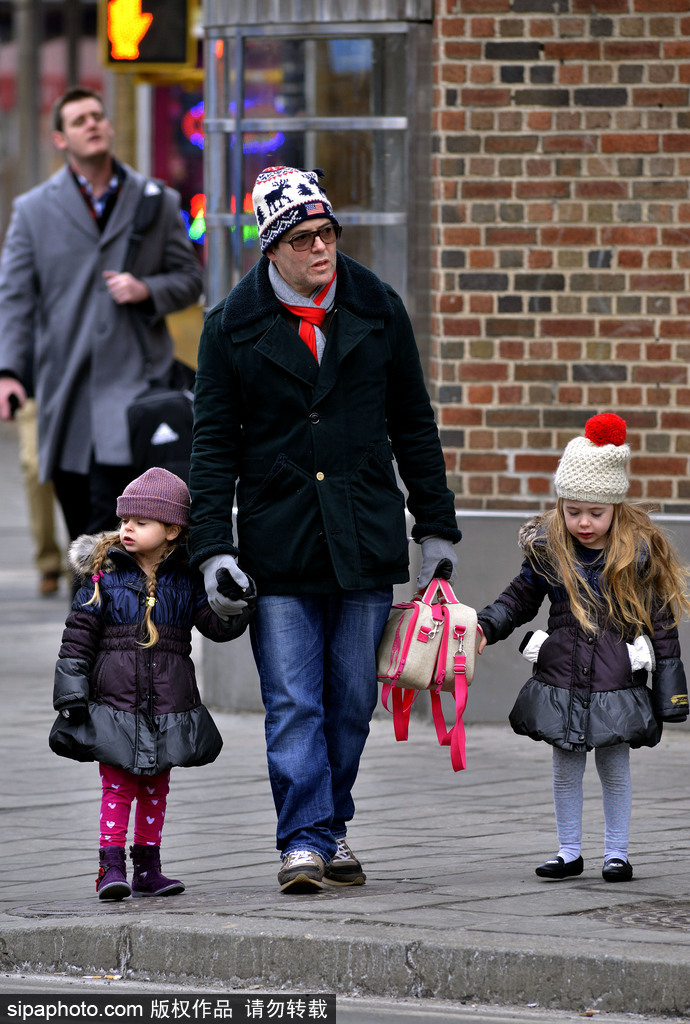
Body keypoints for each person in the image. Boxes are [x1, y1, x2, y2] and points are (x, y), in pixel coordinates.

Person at [187, 164, 462, 893]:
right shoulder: (230, 327)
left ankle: (328, 824)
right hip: (279, 545)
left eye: (329, 233)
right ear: (271, 248)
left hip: (364, 532)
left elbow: (413, 423)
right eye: (304, 237)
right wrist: (212, 548)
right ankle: (304, 841)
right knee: (294, 702)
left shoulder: (376, 307)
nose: (322, 249)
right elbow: (211, 445)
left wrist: (437, 526)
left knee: (349, 701)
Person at [476, 413, 690, 883]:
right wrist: (486, 627)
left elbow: (662, 622)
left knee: (614, 766)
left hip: (616, 679)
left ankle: (617, 853)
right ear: (560, 505)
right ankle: (569, 851)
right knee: (564, 767)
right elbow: (518, 597)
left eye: (595, 512)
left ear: (614, 506)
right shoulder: (550, 549)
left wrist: (670, 685)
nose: (583, 522)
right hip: (563, 675)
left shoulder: (636, 554)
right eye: (573, 511)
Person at [0, 87, 203, 544]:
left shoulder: (157, 201)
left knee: (140, 543)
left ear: (109, 126)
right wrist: (9, 371)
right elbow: (14, 298)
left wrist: (146, 289)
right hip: (69, 400)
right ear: (60, 139)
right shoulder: (32, 212)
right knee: (86, 541)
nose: (92, 123)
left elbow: (190, 279)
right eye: (79, 120)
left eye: (97, 115)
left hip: (139, 400)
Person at [49, 467, 254, 901]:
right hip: (114, 704)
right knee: (118, 784)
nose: (127, 529)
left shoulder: (185, 580)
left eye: (140, 523)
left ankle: (148, 866)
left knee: (156, 786)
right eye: (125, 521)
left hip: (167, 703)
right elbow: (78, 636)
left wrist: (234, 603)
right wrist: (71, 691)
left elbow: (215, 627)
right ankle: (109, 868)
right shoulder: (102, 577)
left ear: (172, 529)